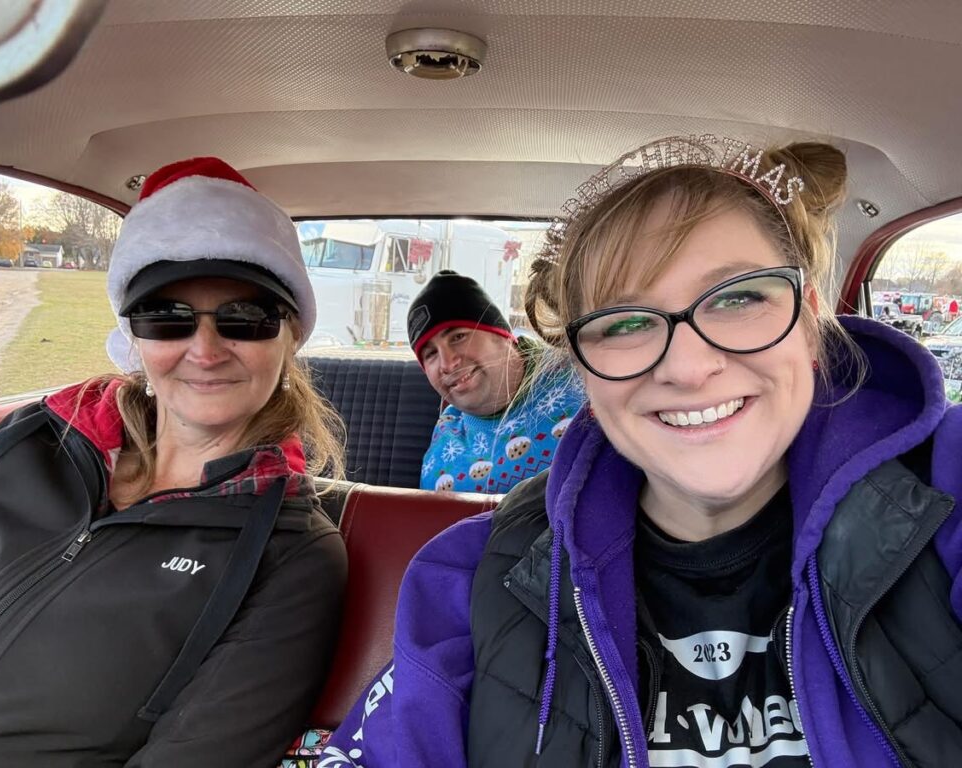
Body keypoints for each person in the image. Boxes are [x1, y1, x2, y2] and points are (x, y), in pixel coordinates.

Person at [321, 135, 962, 767]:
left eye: (738, 297)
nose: (688, 367)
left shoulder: (943, 491)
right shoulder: (471, 573)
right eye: (625, 323)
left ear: (810, 323)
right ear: (584, 370)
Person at [0, 157, 348, 767]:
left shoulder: (290, 552)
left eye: (245, 317)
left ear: (289, 338)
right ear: (133, 336)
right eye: (166, 317)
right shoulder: (37, 436)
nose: (205, 350)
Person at [408, 269, 584, 494]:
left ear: (502, 335)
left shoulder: (578, 376)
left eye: (459, 337)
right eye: (431, 354)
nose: (447, 363)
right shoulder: (447, 430)